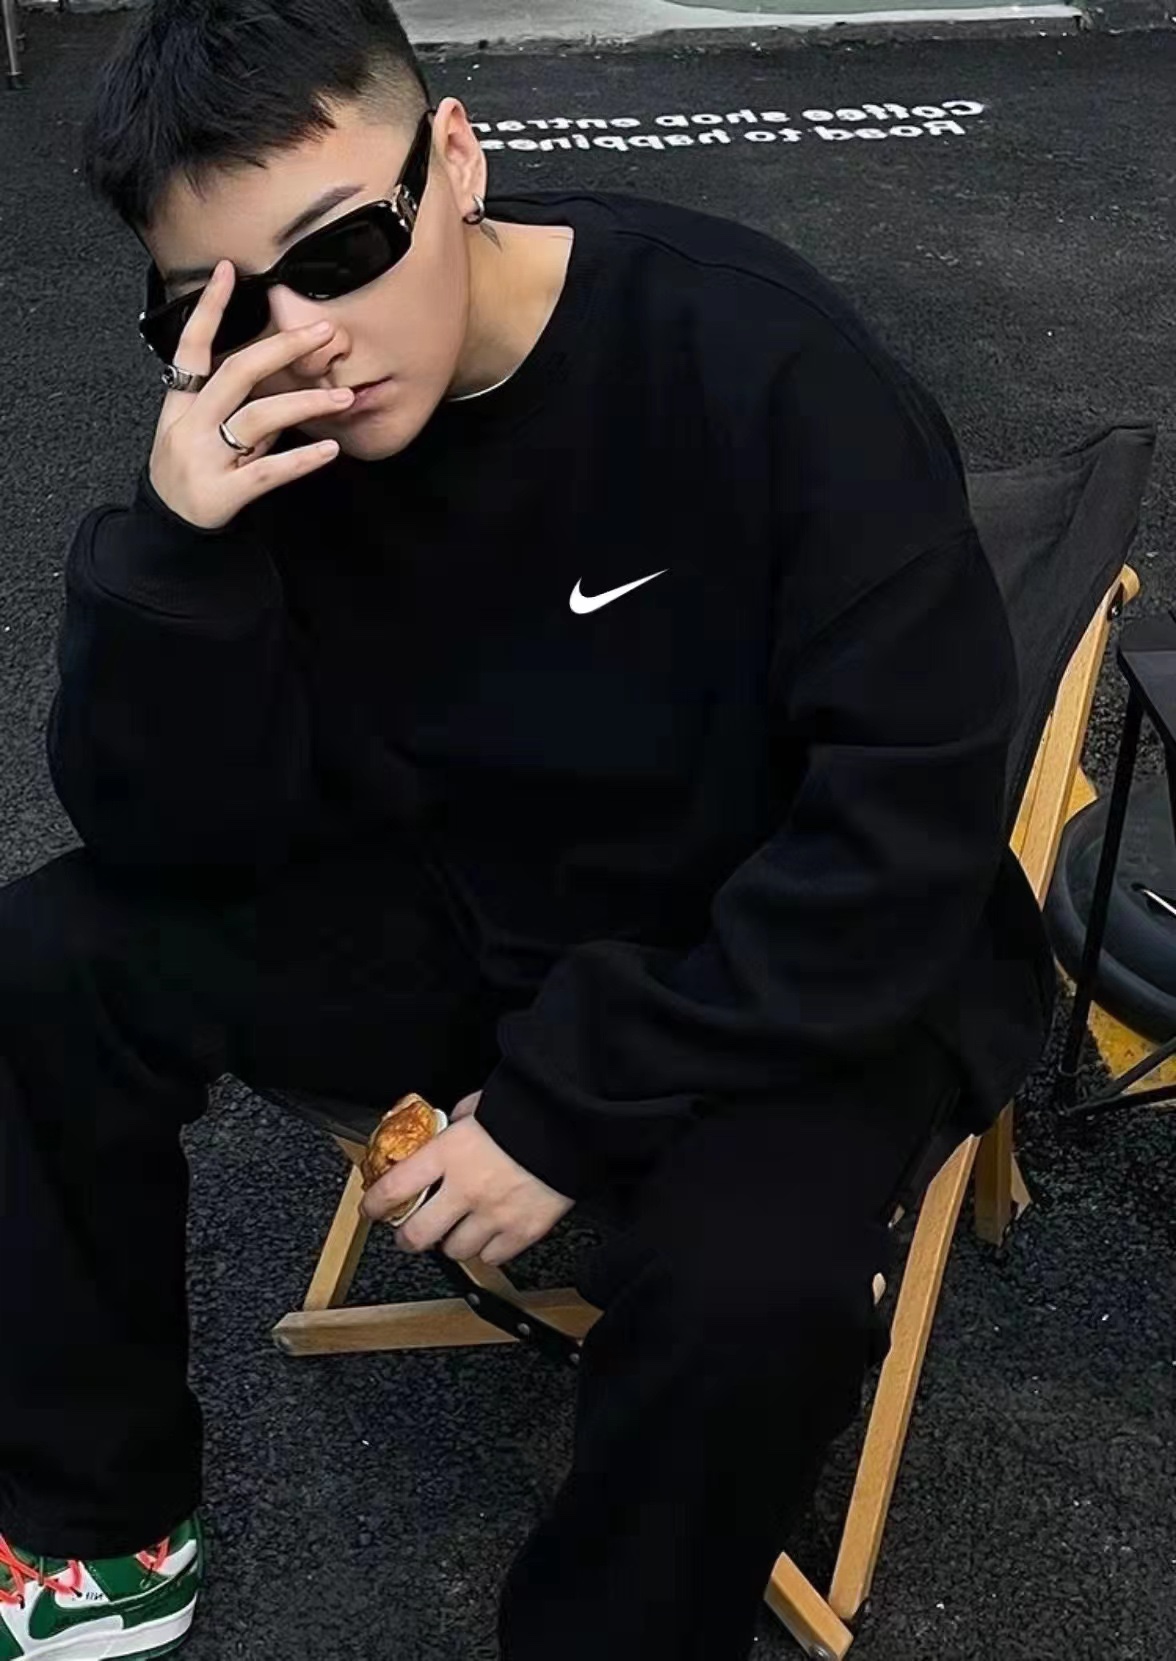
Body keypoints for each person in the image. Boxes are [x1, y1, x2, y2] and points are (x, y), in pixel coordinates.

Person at [0, 1, 1057, 1657]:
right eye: (222, 302)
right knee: (50, 955)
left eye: (341, 250)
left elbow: (906, 822)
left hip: (770, 950)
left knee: (754, 1285)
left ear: (457, 157)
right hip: (464, 903)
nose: (307, 339)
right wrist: (175, 551)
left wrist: (569, 1099)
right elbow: (166, 839)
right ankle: (96, 1518)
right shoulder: (268, 427)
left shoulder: (758, 363)